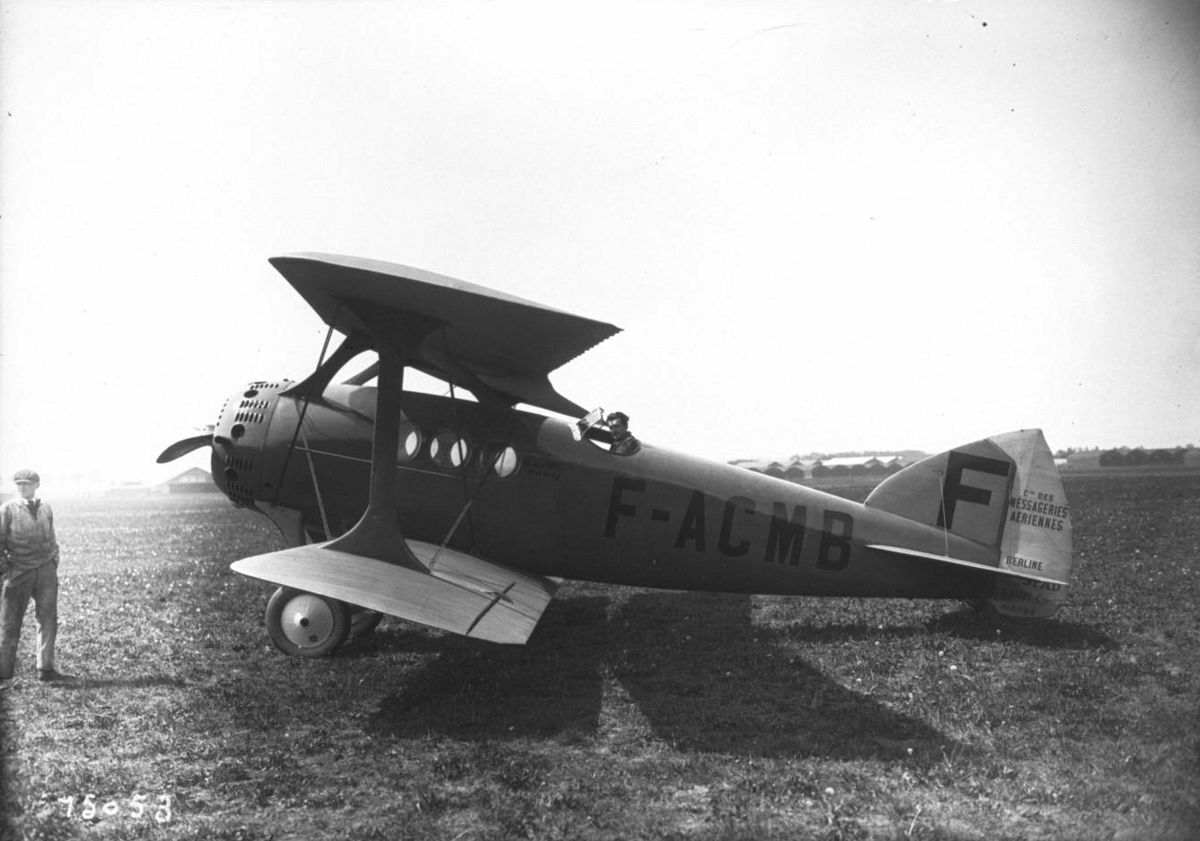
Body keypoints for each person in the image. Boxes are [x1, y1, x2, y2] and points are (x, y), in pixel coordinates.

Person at [0, 469, 73, 687]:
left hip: (45, 570)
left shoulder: (46, 508)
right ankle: (4, 674)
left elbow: (52, 537)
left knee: (48, 618)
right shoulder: (7, 510)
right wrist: (5, 569)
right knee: (10, 622)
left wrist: (53, 561)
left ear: (36, 485)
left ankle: (46, 669)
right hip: (18, 571)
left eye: (27, 484)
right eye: (19, 484)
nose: (22, 488)